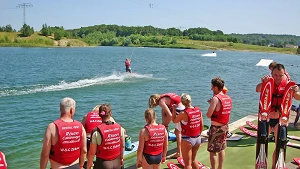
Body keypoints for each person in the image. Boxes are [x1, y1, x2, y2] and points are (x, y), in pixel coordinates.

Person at [256, 64, 300, 169]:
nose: (278, 78)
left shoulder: (288, 85)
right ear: (271, 74)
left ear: (284, 74)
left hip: (280, 120)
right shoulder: (268, 82)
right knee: (262, 142)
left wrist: (296, 90)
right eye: (275, 75)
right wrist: (263, 82)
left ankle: (274, 166)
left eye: (280, 75)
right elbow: (257, 89)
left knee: (280, 144)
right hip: (266, 119)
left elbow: (298, 97)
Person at [40, 97, 87, 169]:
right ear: (72, 110)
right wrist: (81, 166)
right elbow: (84, 150)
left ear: (60, 109)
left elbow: (45, 155)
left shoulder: (52, 127)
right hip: (75, 166)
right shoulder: (80, 126)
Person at [86, 104, 125, 169]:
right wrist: (121, 158)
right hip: (117, 162)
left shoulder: (96, 131)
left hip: (102, 164)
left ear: (99, 115)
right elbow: (122, 146)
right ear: (110, 113)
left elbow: (92, 152)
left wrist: (89, 165)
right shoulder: (119, 128)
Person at [206, 77, 232, 169]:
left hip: (216, 128)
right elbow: (221, 110)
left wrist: (211, 104)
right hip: (225, 127)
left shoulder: (215, 99)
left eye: (212, 87)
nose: (211, 89)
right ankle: (220, 167)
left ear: (216, 87)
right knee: (222, 148)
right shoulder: (228, 98)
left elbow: (209, 115)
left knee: (212, 151)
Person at [172, 93, 203, 169]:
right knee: (193, 160)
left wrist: (173, 110)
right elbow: (201, 125)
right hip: (198, 138)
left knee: (188, 164)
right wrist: (198, 134)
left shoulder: (183, 113)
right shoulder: (198, 110)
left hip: (187, 140)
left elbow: (174, 120)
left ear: (182, 102)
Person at [149, 93, 183, 157]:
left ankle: (179, 152)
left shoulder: (161, 102)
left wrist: (165, 124)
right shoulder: (164, 97)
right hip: (183, 105)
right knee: (163, 111)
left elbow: (170, 115)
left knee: (177, 132)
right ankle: (165, 129)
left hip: (180, 109)